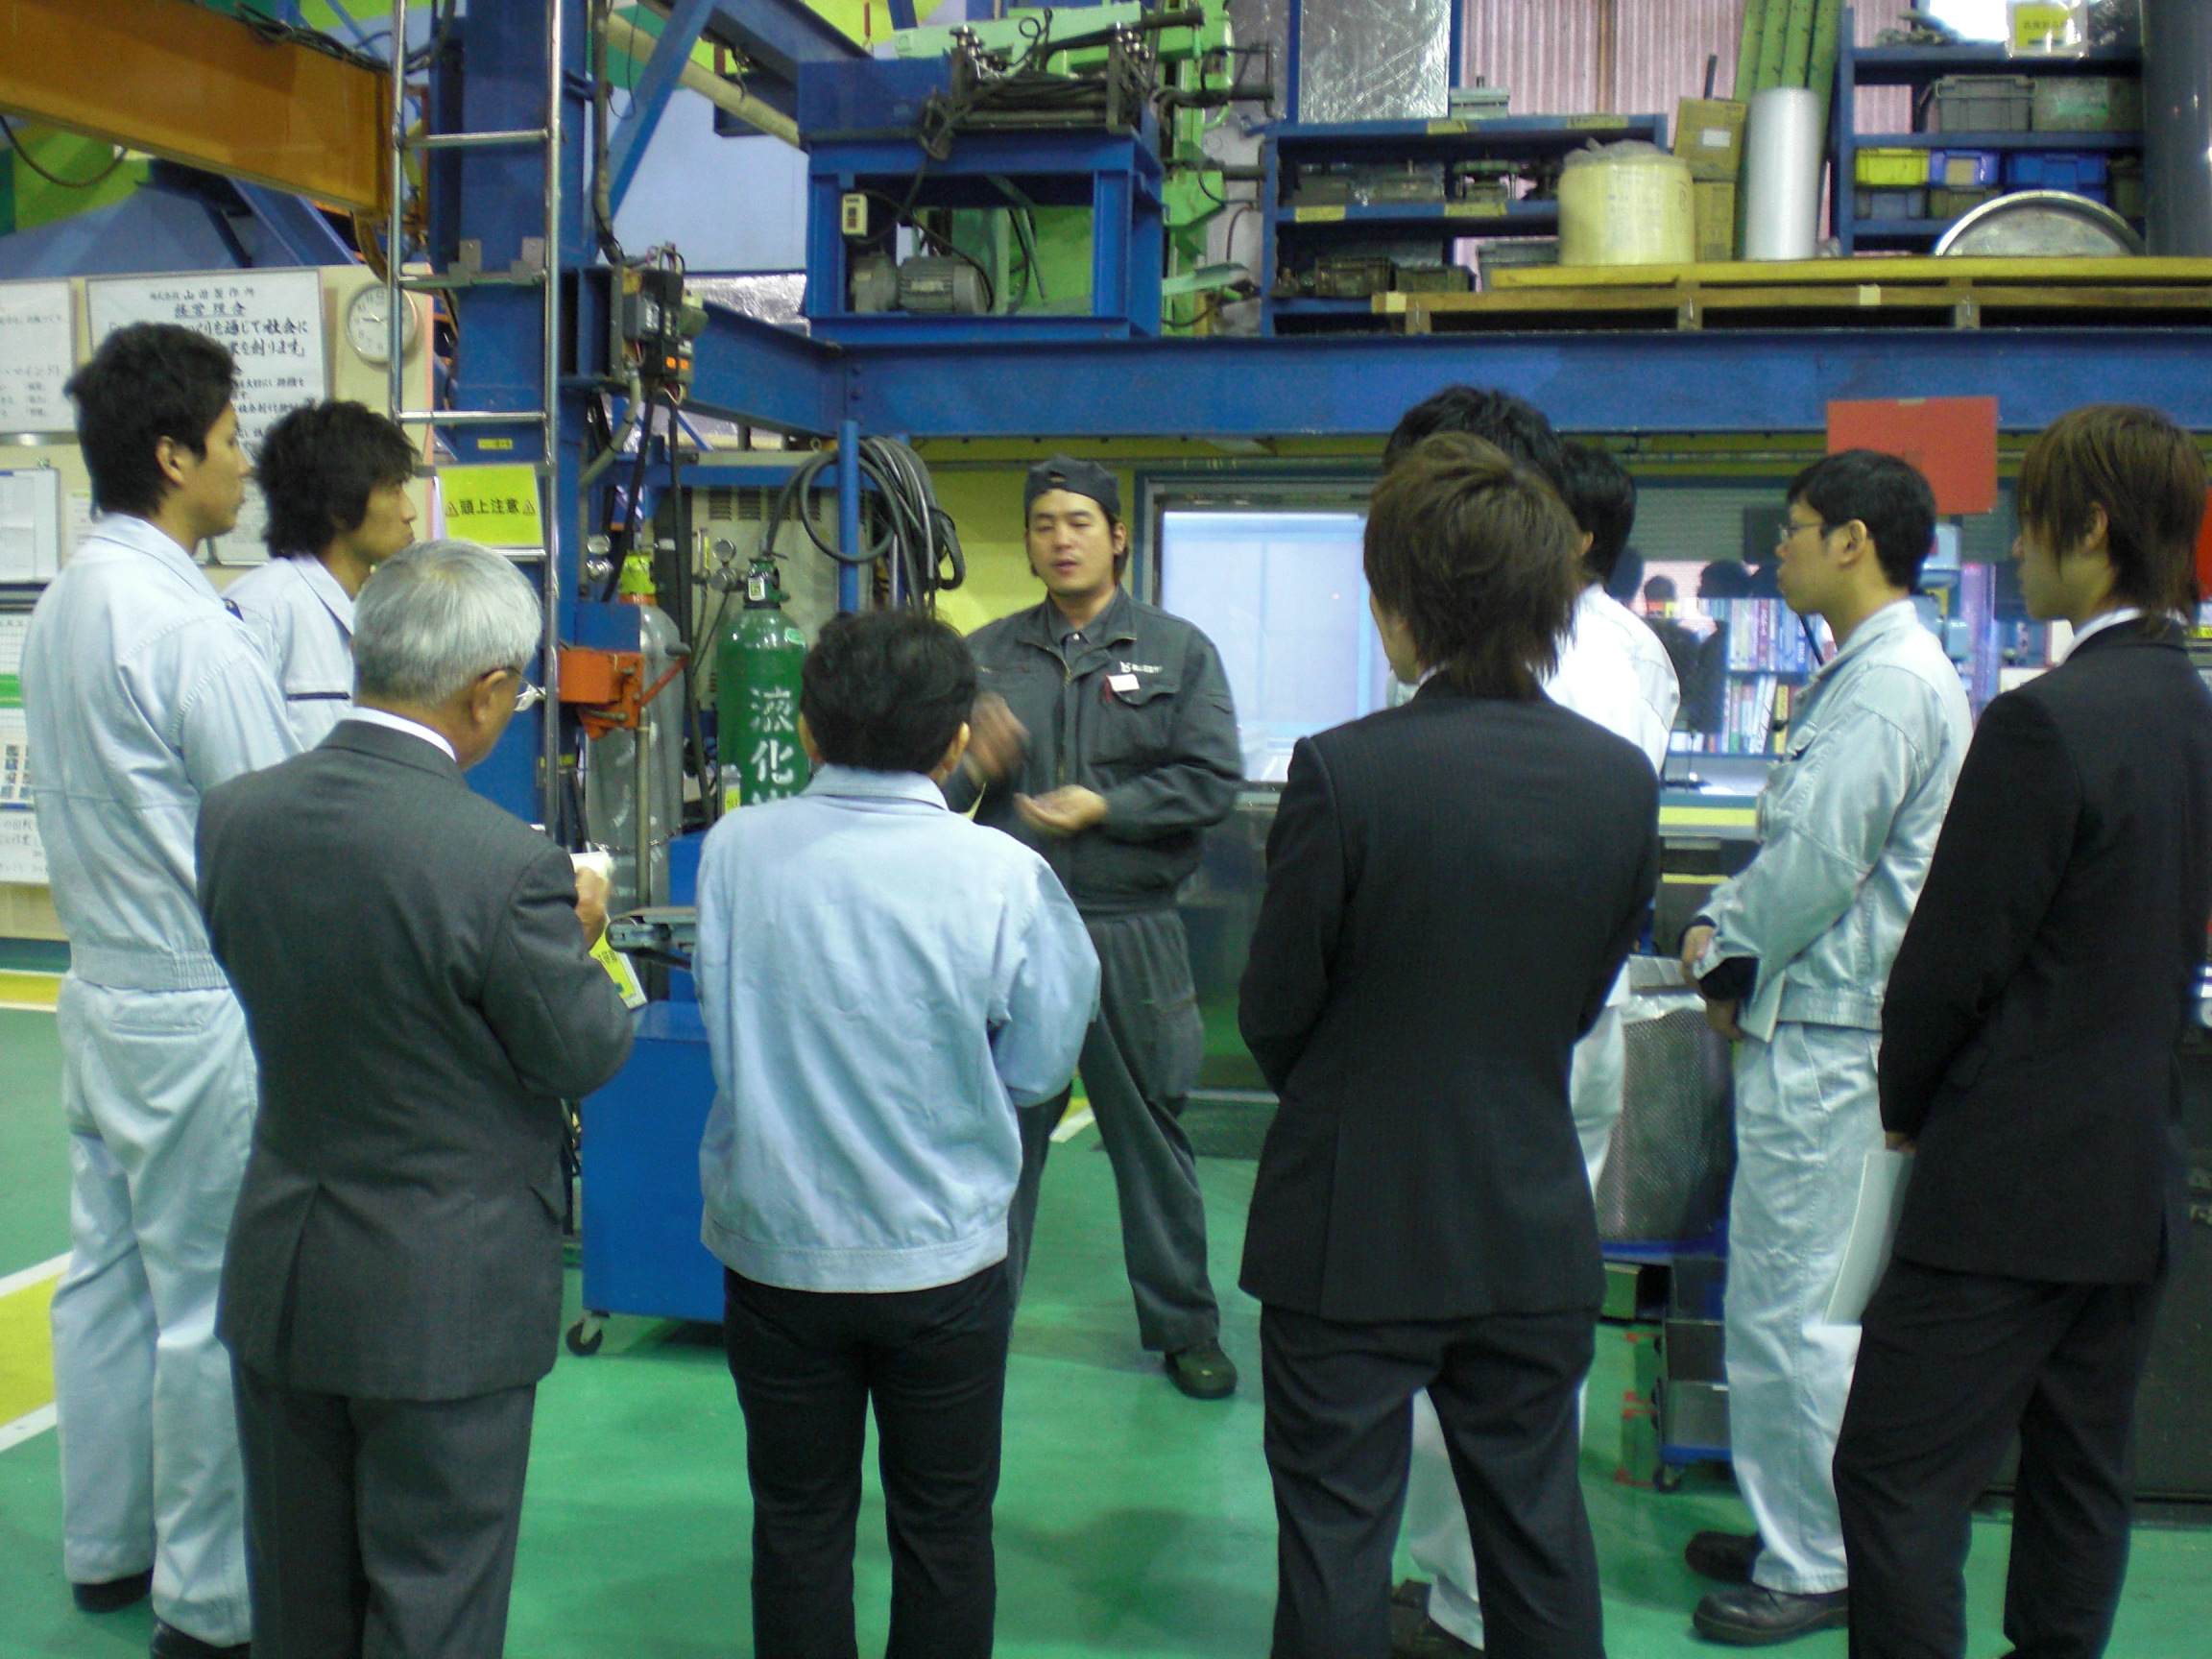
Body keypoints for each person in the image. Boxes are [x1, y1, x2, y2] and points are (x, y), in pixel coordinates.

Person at [1239, 432, 1659, 1659]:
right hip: (1529, 1218)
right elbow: (1582, 995)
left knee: (1336, 1539)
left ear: (1398, 608)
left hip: (1351, 1227)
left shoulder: (1345, 773)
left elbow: (1276, 1009)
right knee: (1537, 1535)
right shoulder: (1618, 781)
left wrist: (1350, 1091)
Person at [194, 539, 635, 1659]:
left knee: (300, 1605)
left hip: (287, 1267)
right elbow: (584, 1049)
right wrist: (578, 936)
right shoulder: (502, 865)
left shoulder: (236, 817)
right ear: (486, 692)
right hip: (447, 1296)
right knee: (434, 1601)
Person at [1835, 405, 2212, 1659]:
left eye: (2034, 517)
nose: (2019, 541)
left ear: (2091, 530)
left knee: (1895, 1476)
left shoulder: (2045, 721)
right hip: (2134, 1178)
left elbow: (1950, 967)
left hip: (2002, 1193)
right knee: (2080, 1474)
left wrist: (1903, 1108)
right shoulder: (2192, 711)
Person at [696, 611, 1097, 1659]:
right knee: (945, 1530)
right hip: (943, 1264)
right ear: (958, 742)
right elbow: (1044, 1057)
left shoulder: (736, 850)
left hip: (778, 1253)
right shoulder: (1001, 873)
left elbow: (722, 1006)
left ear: (808, 733)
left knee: (798, 1524)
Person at [21, 323, 298, 1659]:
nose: (245, 465)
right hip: (195, 1000)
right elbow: (272, 834)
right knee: (206, 1309)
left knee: (107, 1282)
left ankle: (106, 1548)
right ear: (175, 455)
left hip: (98, 991)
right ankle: (210, 1601)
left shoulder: (67, 602)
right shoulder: (190, 629)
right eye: (233, 440)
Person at [1393, 427, 1680, 1659]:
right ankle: (1469, 1585)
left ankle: (1472, 1602)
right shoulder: (1617, 647)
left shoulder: (1575, 654)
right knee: (1511, 1329)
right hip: (1550, 1028)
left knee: (1475, 1334)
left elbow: (1534, 838)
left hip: (1508, 1042)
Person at [1679, 450, 1973, 1647]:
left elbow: (1817, 862)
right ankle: (1792, 1522)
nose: (1780, 551)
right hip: (1824, 1032)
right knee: (1783, 1300)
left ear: (1854, 540)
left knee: (1796, 1312)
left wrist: (1723, 946)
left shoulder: (1891, 685)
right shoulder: (1868, 673)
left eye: (1795, 530)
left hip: (1834, 1044)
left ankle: (1816, 1562)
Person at [945, 455, 1244, 1400]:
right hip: (1016, 937)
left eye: (1079, 522)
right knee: (1000, 1139)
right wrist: (974, 769)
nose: (1060, 540)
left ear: (1117, 536)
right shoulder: (984, 657)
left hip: (1131, 931)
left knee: (1150, 1136)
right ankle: (976, 1324)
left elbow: (1211, 779)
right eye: (1043, 525)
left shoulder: (1178, 650)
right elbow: (929, 792)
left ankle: (1186, 1328)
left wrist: (1106, 806)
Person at [223, 401, 420, 747]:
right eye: (393, 490)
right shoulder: (262, 612)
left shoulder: (378, 609)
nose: (410, 511)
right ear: (338, 508)